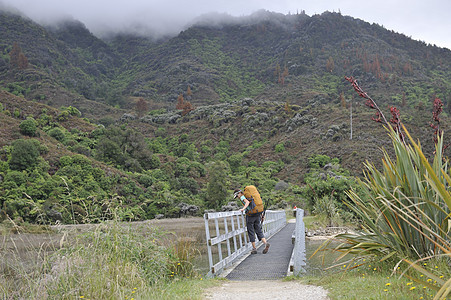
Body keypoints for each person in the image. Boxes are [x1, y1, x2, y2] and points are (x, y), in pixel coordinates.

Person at [233, 189, 270, 254]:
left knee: (251, 231)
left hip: (250, 215)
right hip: (257, 214)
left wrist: (243, 209)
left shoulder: (243, 197)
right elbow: (257, 206)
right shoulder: (252, 197)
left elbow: (247, 202)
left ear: (239, 193)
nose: (238, 197)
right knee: (258, 230)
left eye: (237, 196)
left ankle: (254, 248)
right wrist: (261, 215)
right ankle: (265, 243)